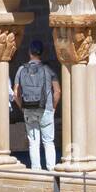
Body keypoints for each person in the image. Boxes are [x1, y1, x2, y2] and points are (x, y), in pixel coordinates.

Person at [14, 39, 60, 171]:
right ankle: (51, 170)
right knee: (48, 141)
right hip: (46, 109)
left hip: (28, 109)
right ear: (42, 53)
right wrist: (53, 106)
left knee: (33, 143)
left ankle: (36, 171)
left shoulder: (21, 69)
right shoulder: (48, 70)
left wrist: (22, 107)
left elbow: (16, 91)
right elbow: (57, 91)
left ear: (29, 53)